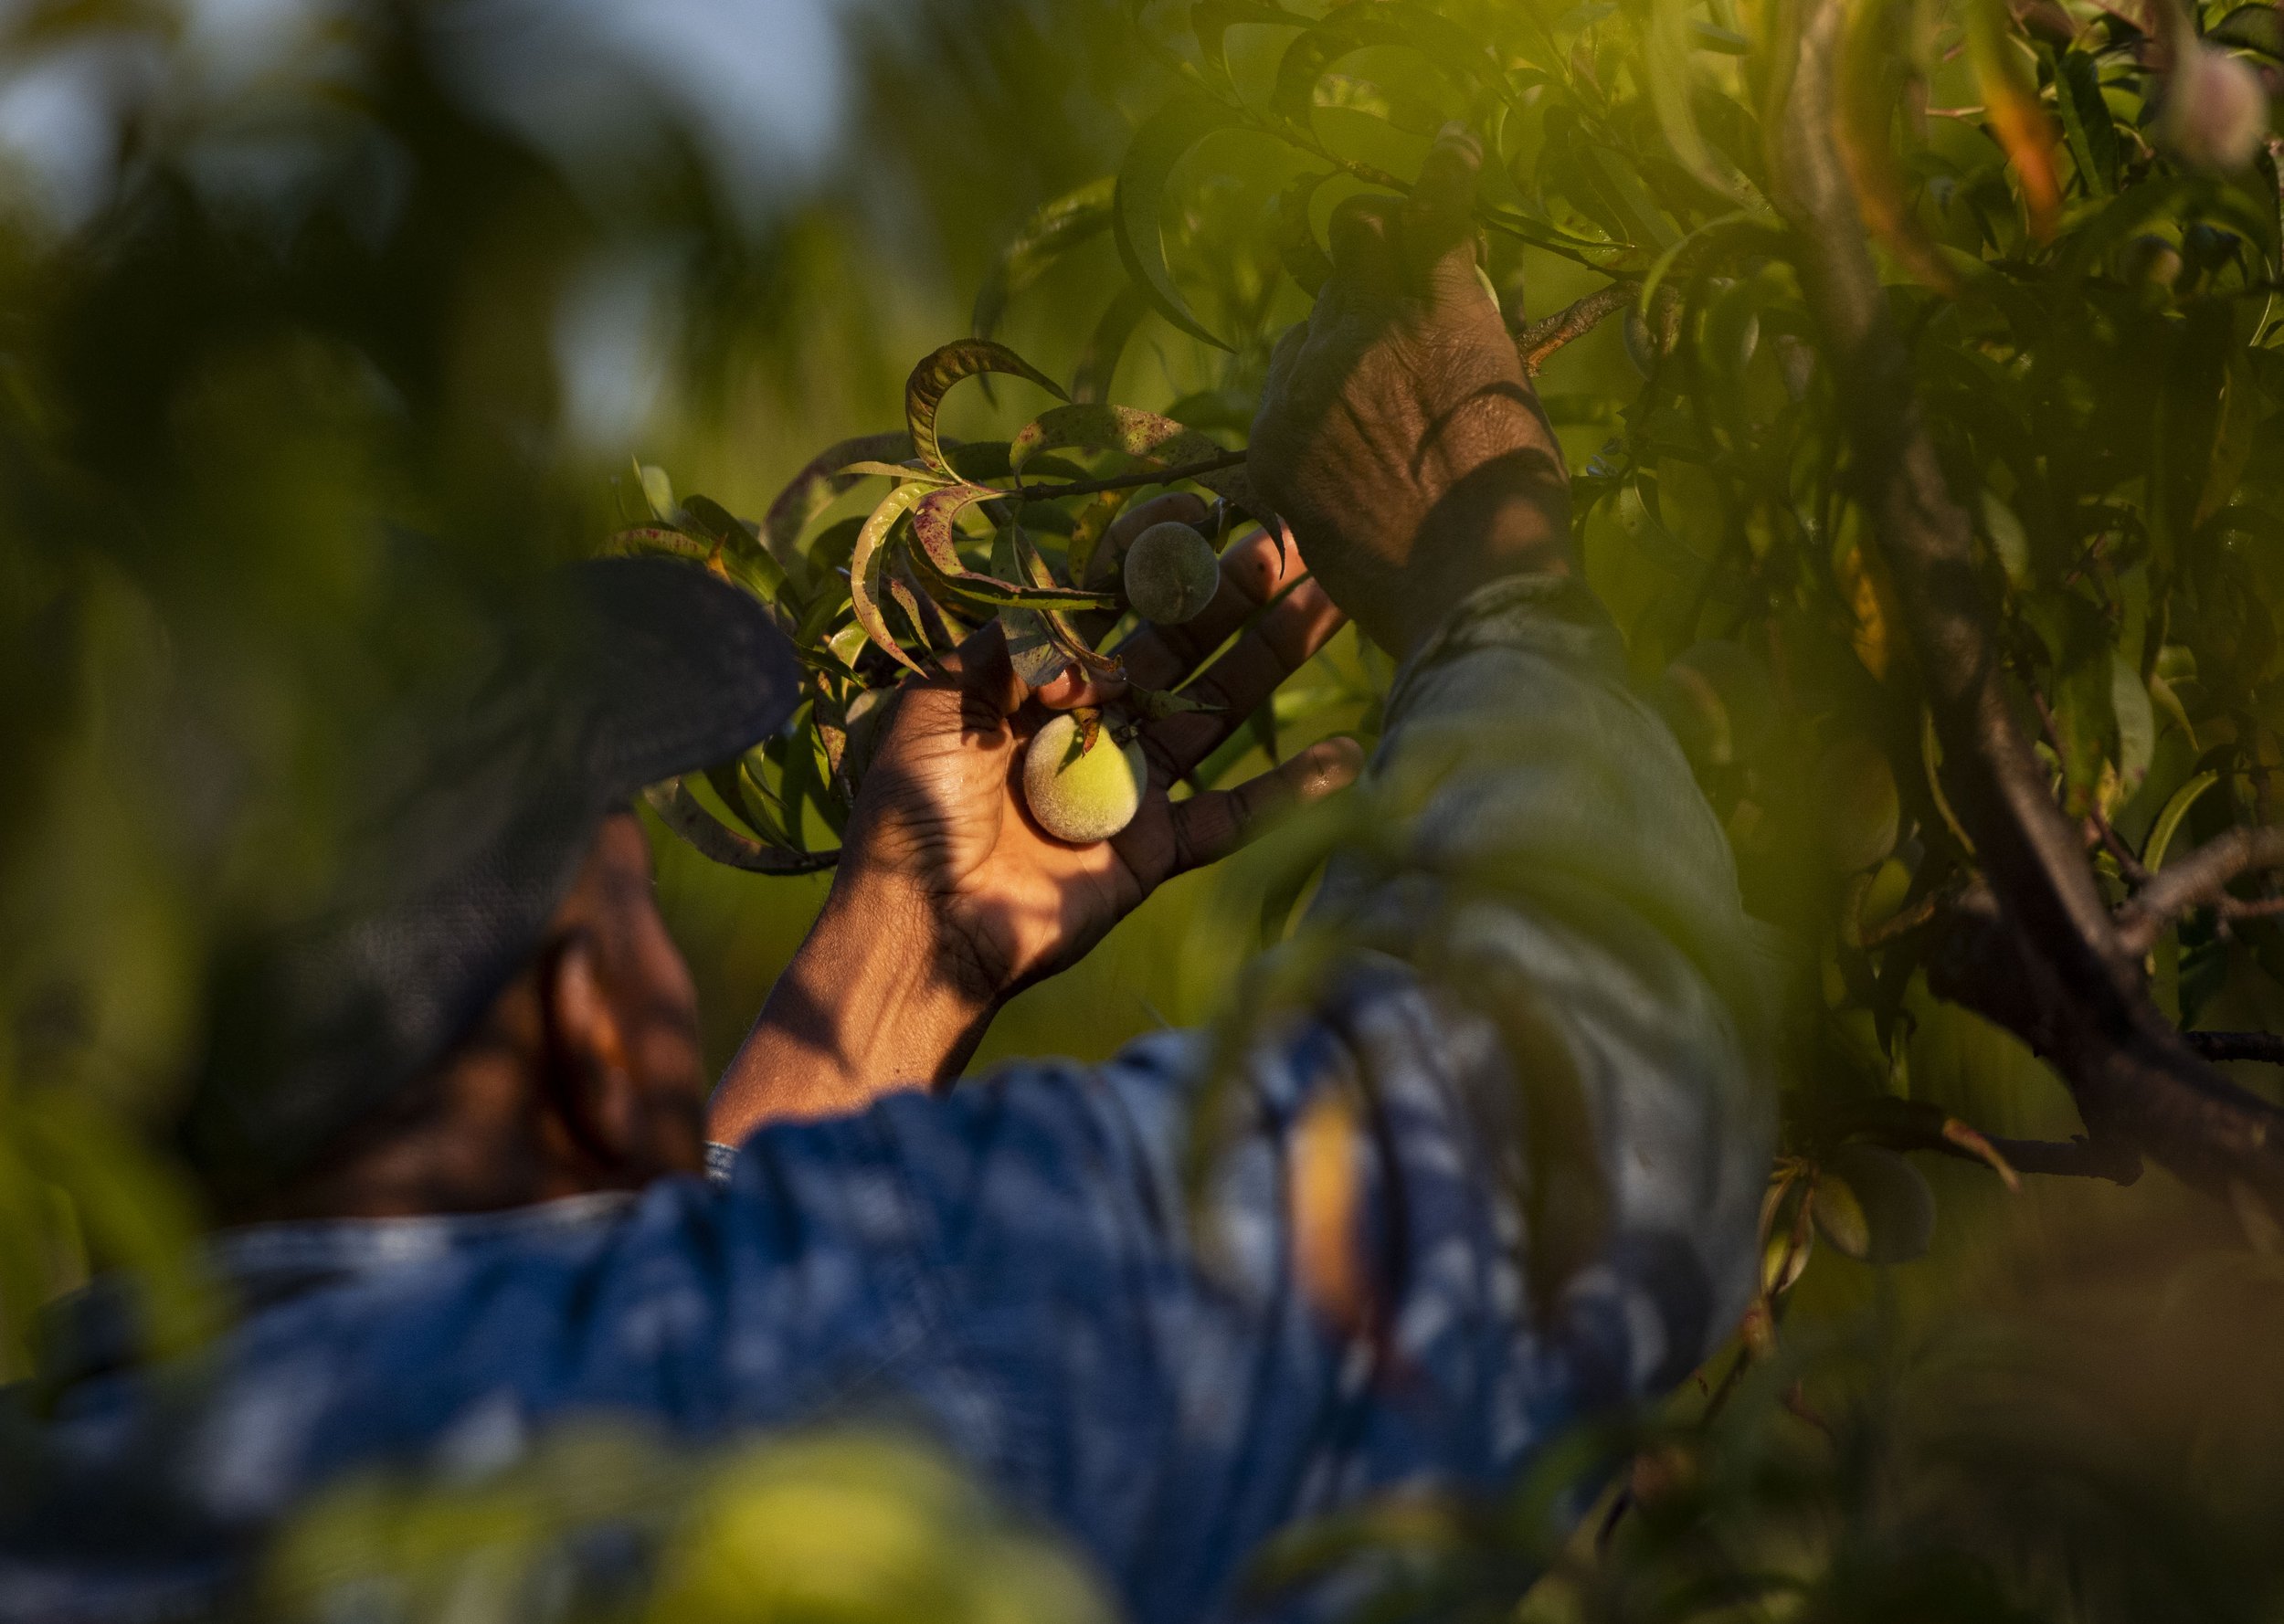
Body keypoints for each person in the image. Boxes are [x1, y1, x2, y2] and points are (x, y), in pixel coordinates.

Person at [0, 132, 1771, 1623]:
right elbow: (1570, 1124)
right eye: (616, 885)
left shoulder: (80, 1502)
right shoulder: (729, 1393)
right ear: (586, 1027)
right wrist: (1488, 560)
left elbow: (644, 1348)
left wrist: (897, 967)